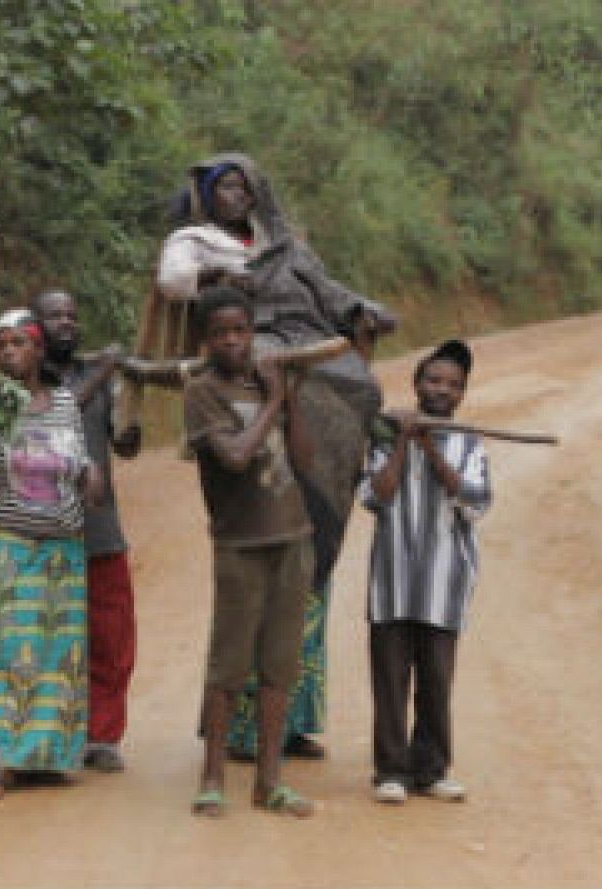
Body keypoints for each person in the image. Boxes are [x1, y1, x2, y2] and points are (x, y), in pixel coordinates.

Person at [156, 153, 398, 762]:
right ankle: (237, 734)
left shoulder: (288, 248)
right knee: (269, 391)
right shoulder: (196, 242)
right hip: (258, 349)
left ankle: (293, 721)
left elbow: (332, 293)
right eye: (225, 188)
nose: (237, 197)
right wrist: (223, 278)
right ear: (209, 198)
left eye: (244, 187)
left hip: (314, 348)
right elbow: (175, 282)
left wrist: (362, 311)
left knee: (362, 389)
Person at [0, 308, 102, 802]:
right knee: (3, 652)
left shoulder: (62, 403)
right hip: (5, 548)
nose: (10, 352)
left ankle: (49, 757)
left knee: (60, 655)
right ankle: (4, 760)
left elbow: (78, 462)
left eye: (19, 343)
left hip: (62, 548)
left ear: (38, 350)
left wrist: (90, 476)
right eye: (1, 345)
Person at [183, 285, 315, 818]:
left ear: (254, 332)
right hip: (241, 542)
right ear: (206, 340)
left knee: (280, 665)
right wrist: (276, 400)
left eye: (241, 331)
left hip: (293, 537)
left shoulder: (269, 385)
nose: (234, 341)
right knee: (229, 667)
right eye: (222, 333)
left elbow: (304, 460)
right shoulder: (202, 392)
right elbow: (236, 456)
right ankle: (213, 778)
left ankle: (270, 782)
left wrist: (291, 398)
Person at [359, 339, 491, 805]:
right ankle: (391, 771)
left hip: (445, 584)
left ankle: (432, 769)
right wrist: (401, 443)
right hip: (392, 582)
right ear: (416, 385)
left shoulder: (468, 442)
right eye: (433, 380)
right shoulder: (384, 435)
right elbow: (377, 496)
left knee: (436, 680)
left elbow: (474, 503)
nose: (441, 390)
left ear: (462, 395)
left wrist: (433, 451)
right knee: (390, 680)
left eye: (452, 385)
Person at [30, 289, 142, 773]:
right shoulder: (24, 383)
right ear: (34, 328)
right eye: (54, 316)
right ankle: (50, 733)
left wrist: (131, 414)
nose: (66, 323)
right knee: (49, 639)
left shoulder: (100, 381)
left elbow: (126, 446)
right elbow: (58, 414)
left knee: (111, 637)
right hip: (42, 531)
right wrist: (106, 373)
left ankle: (102, 735)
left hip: (99, 530)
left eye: (72, 316)